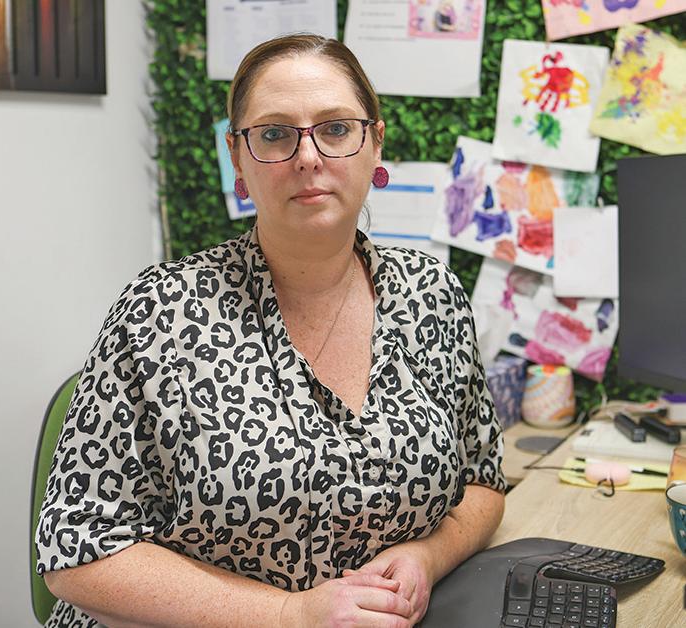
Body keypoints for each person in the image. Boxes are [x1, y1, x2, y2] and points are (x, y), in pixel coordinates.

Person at [36, 34, 506, 628]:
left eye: (336, 128)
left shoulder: (431, 296)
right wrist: (289, 613)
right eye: (276, 134)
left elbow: (482, 481)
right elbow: (76, 551)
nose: (308, 157)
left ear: (375, 143)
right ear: (237, 157)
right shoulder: (160, 313)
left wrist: (427, 556)